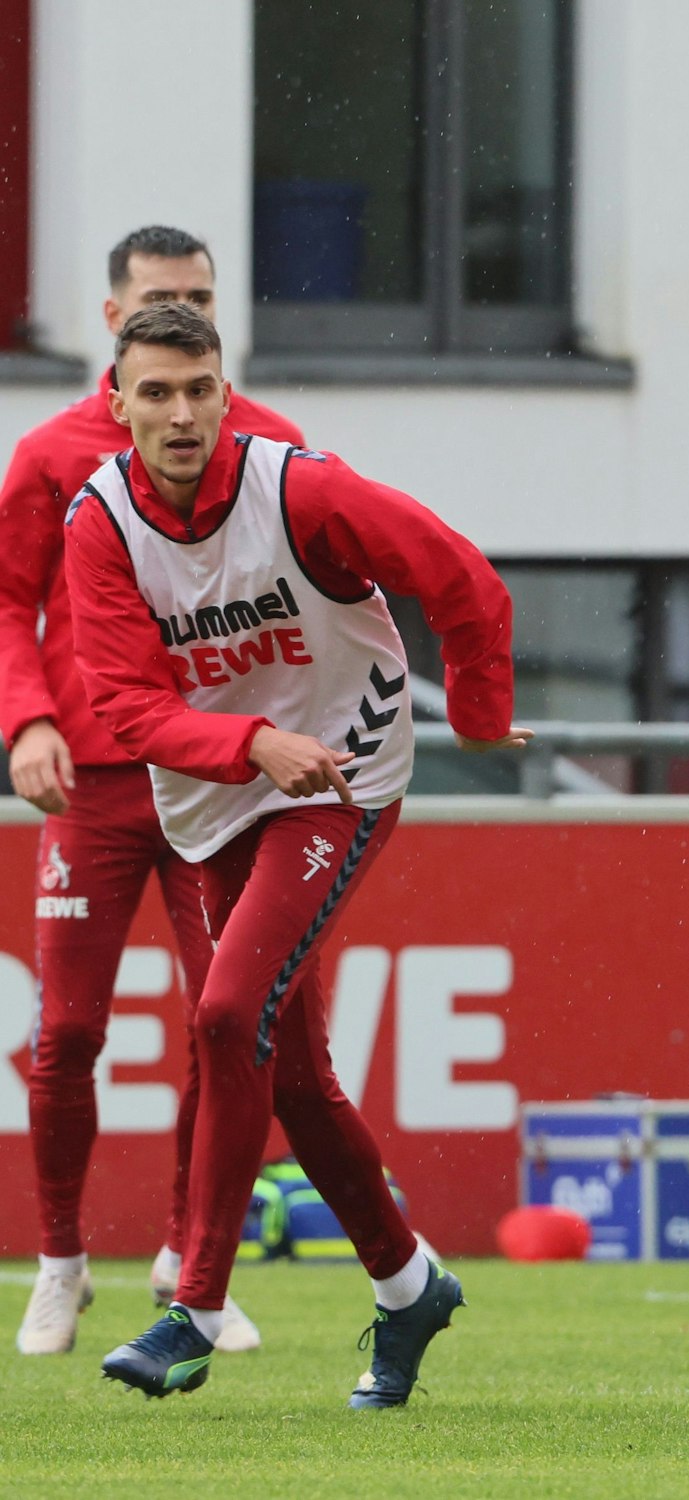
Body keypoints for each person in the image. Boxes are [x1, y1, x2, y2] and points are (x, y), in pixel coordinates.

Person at [64, 302, 530, 1404]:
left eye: (200, 389)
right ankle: (408, 1282)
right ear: (116, 404)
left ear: (226, 393)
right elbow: (125, 706)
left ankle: (194, 1304)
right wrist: (249, 744)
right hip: (222, 791)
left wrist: (473, 714)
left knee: (230, 1014)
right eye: (157, 393)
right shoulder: (100, 522)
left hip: (344, 774)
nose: (181, 413)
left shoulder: (300, 488)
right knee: (301, 1077)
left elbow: (464, 579)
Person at [3, 226, 303, 1357]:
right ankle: (61, 1263)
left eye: (200, 300)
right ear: (111, 322)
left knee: (226, 1024)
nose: (179, 311)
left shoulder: (271, 446)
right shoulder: (51, 453)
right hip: (94, 780)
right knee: (66, 1036)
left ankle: (190, 1261)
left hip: (221, 781)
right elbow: (6, 602)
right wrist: (27, 717)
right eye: (157, 302)